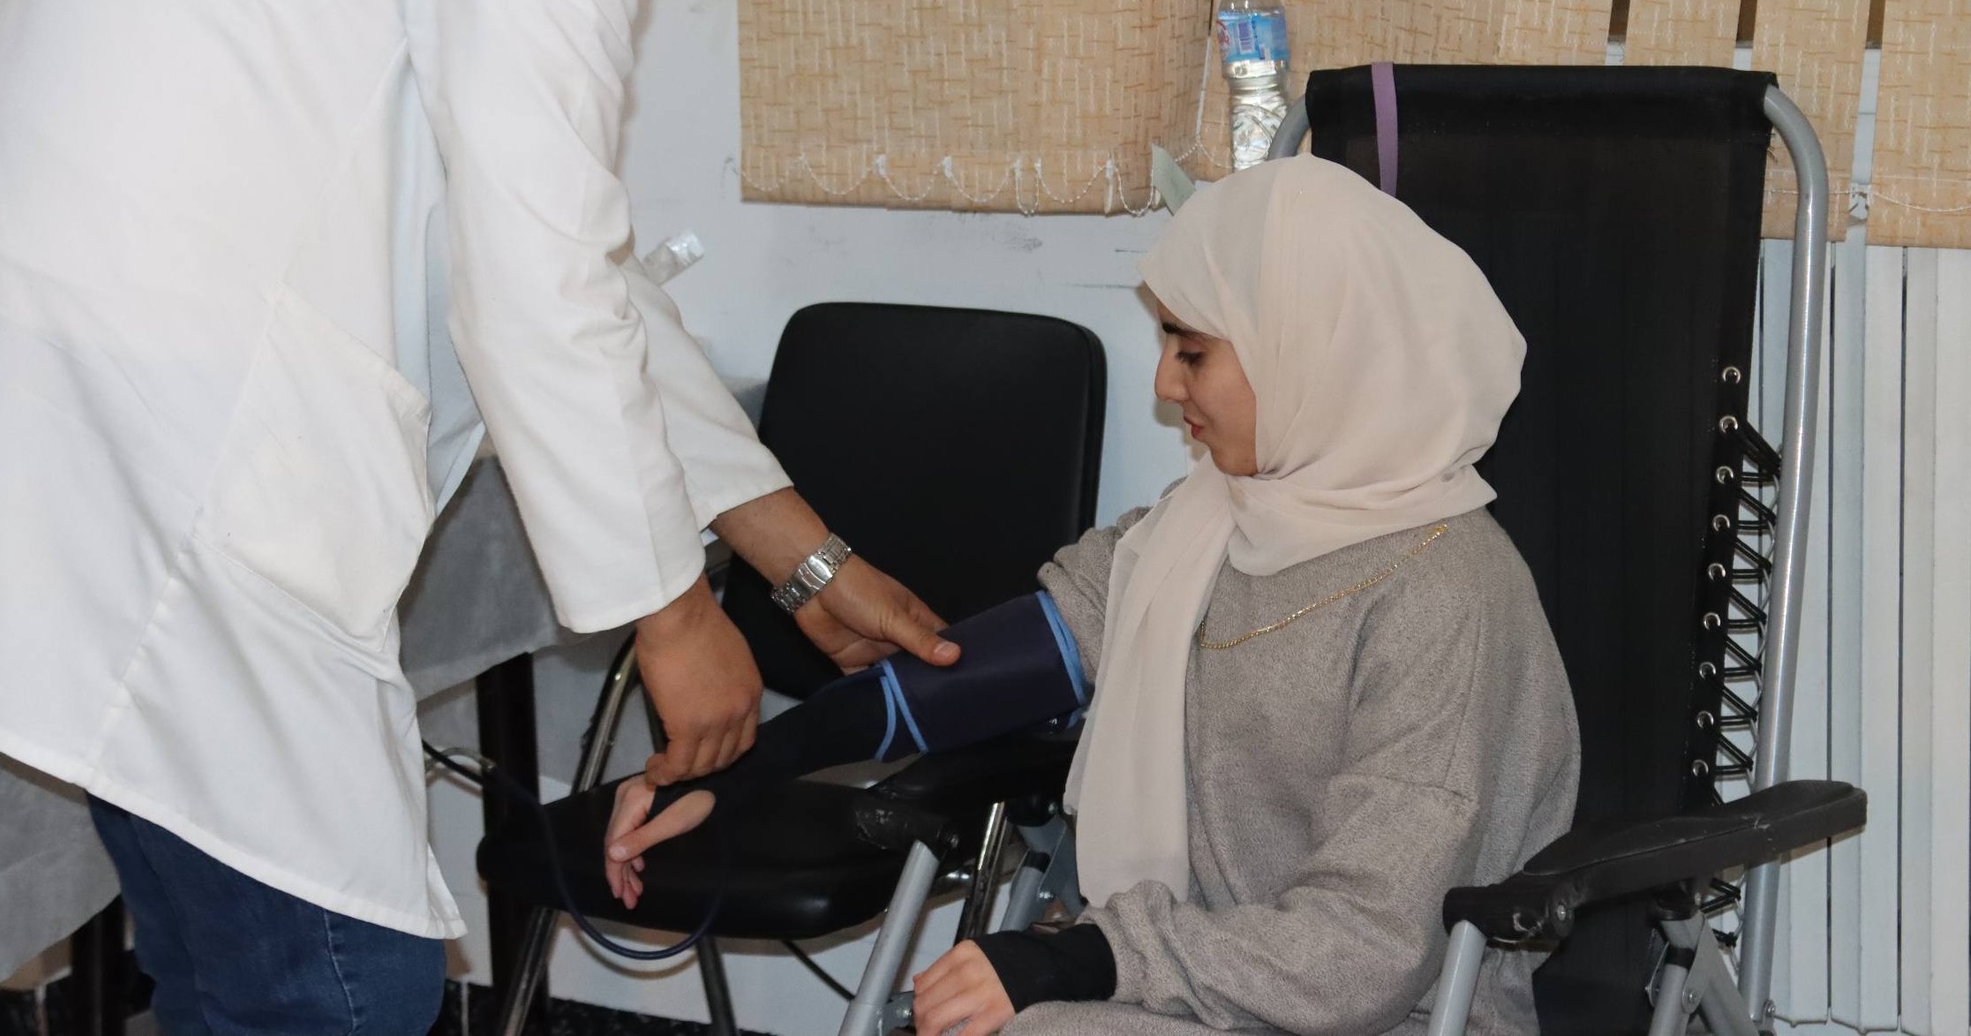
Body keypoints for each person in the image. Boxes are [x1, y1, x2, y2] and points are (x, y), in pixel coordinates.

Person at [0, 0, 959, 1030]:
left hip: (71, 411)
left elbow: (560, 259)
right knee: (341, 985)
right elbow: (538, 278)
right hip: (186, 444)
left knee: (230, 959)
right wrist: (673, 615)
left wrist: (799, 559)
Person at [603, 156, 1581, 1035]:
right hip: (1195, 990)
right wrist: (736, 772)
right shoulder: (1207, 523)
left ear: (1305, 350)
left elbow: (1364, 950)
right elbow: (990, 670)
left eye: (1192, 352)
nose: (1164, 383)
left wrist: (1081, 958)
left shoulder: (1447, 597)